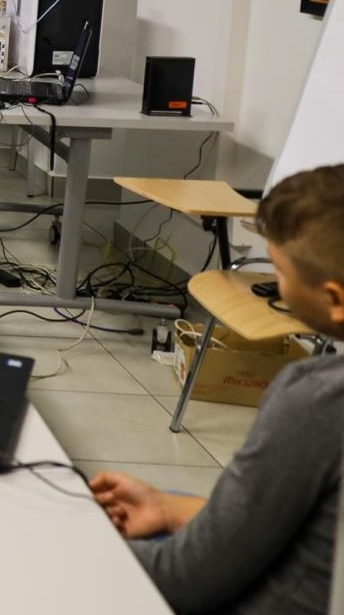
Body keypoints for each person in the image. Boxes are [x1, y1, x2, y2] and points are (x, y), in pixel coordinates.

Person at [90, 164, 344, 615]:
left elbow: (183, 581)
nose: (271, 287)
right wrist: (171, 509)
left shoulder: (318, 399)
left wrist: (68, 544)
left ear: (335, 300)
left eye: (279, 272)